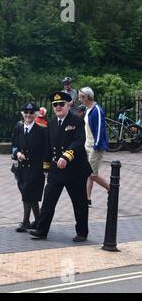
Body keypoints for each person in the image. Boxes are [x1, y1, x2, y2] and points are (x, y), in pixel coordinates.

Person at [28, 91, 92, 242]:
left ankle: (82, 232)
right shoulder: (50, 124)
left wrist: (66, 156)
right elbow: (48, 148)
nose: (58, 107)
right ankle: (42, 230)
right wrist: (45, 168)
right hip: (57, 170)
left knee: (79, 203)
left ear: (68, 105)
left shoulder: (76, 121)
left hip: (75, 169)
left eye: (61, 104)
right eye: (55, 105)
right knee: (48, 200)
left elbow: (78, 141)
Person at [11, 103, 47, 232]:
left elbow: (46, 149)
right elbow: (14, 144)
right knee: (29, 194)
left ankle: (26, 221)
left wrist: (45, 168)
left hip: (36, 167)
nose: (28, 115)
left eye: (31, 113)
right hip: (22, 167)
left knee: (27, 192)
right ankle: (38, 221)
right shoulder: (19, 127)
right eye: (26, 112)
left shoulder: (41, 129)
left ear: (35, 114)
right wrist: (17, 153)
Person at [78, 87, 110, 207]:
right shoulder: (88, 109)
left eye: (81, 96)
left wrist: (96, 145)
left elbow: (100, 129)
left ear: (87, 97)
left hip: (95, 147)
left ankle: (111, 189)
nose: (79, 98)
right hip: (88, 145)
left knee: (92, 174)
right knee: (88, 173)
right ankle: (87, 199)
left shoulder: (97, 109)